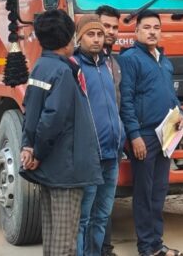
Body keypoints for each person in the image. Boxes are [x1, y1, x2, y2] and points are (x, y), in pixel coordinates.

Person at [19, 9, 103, 256]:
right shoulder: (63, 71)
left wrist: (30, 147)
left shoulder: (40, 67)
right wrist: (39, 152)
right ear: (68, 40)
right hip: (66, 168)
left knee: (53, 235)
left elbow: (31, 112)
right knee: (65, 242)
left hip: (51, 168)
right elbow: (53, 118)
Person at [119, 10, 183, 256]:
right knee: (144, 193)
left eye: (156, 27)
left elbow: (171, 96)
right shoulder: (130, 59)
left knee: (159, 192)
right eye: (146, 27)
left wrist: (181, 113)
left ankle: (157, 244)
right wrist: (134, 135)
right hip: (144, 136)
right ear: (136, 32)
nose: (152, 31)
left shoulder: (163, 60)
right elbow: (125, 100)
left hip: (166, 134)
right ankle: (146, 246)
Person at [73, 15, 125, 256]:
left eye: (99, 35)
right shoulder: (74, 67)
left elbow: (116, 104)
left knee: (102, 216)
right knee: (83, 218)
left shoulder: (108, 65)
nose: (96, 39)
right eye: (90, 34)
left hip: (112, 153)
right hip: (90, 156)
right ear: (79, 37)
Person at [95, 5, 122, 256]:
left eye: (115, 27)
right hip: (91, 147)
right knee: (89, 207)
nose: (110, 32)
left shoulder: (113, 63)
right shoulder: (81, 63)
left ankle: (106, 249)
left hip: (113, 145)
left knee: (105, 205)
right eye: (106, 26)